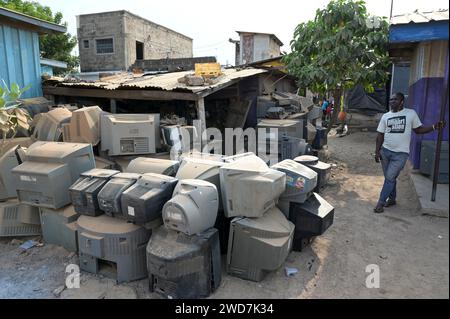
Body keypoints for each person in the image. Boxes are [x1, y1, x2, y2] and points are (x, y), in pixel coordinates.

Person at [373, 92, 445, 213]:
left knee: (390, 177)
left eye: (395, 100)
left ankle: (380, 203)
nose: (391, 101)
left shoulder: (410, 114)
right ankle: (392, 199)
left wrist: (434, 127)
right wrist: (377, 151)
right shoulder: (385, 116)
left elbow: (418, 130)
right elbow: (380, 134)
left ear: (401, 102)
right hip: (385, 152)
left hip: (400, 154)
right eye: (390, 99)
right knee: (390, 178)